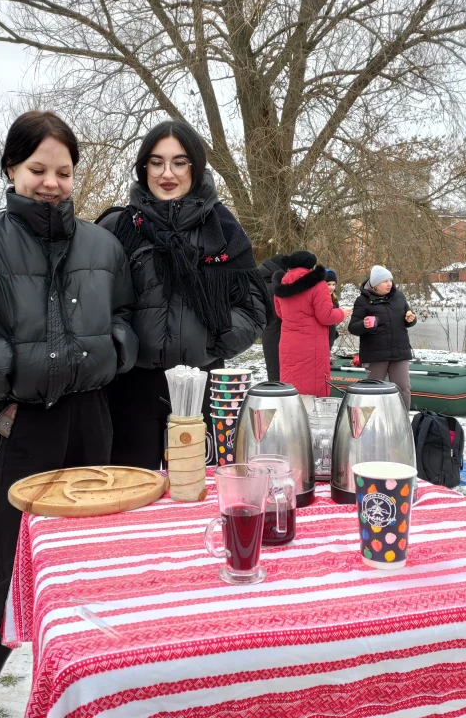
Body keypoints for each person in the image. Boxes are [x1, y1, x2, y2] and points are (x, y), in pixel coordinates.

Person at [0, 111, 137, 718]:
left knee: (93, 553)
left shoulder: (103, 244)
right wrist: (18, 367)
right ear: (11, 168)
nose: (51, 182)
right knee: (16, 559)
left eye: (64, 171)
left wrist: (113, 351)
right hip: (21, 422)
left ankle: (95, 680)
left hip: (93, 417)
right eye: (38, 168)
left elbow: (126, 319)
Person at [97, 121, 266, 469]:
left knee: (197, 494)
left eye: (179, 162)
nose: (167, 173)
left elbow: (253, 306)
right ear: (144, 167)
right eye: (156, 162)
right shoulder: (116, 228)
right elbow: (91, 305)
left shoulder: (224, 230)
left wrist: (213, 338)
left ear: (196, 166)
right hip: (130, 390)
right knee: (133, 496)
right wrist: (118, 346)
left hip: (203, 387)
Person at [272, 251, 351, 397]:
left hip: (289, 343)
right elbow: (326, 316)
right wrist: (342, 313)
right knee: (313, 390)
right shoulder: (318, 284)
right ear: (311, 265)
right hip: (312, 345)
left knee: (292, 387)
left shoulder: (282, 284)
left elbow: (280, 314)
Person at [348, 265, 417, 410]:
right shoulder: (362, 300)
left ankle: (403, 423)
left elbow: (408, 318)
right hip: (375, 354)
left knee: (403, 388)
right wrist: (364, 324)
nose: (389, 284)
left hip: (399, 351)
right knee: (373, 390)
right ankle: (372, 425)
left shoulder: (399, 297)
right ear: (375, 284)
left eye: (390, 280)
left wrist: (410, 319)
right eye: (384, 281)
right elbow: (353, 327)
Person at [258, 253, 287, 381]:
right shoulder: (274, 285)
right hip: (277, 330)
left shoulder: (262, 280)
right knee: (278, 371)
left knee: (274, 370)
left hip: (268, 331)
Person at [325, 269, 340, 350]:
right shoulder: (319, 299)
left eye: (334, 284)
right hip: (322, 337)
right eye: (328, 284)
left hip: (330, 336)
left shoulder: (334, 299)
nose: (331, 287)